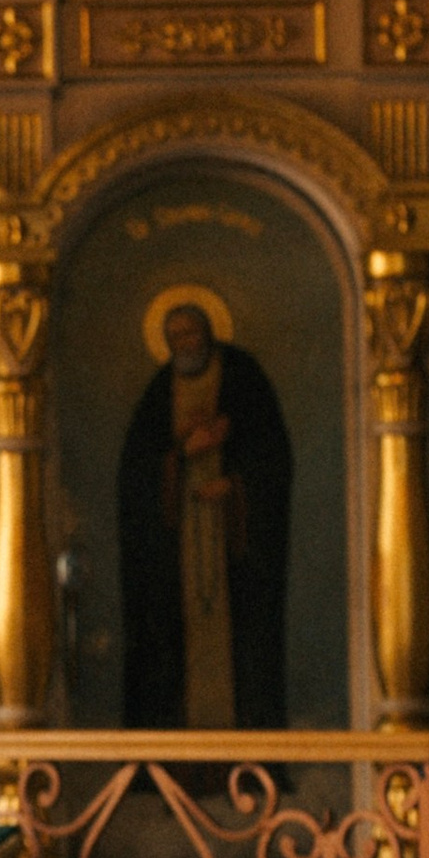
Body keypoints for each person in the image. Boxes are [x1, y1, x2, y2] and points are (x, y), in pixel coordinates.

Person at [118, 298, 292, 727]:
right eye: (175, 336)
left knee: (246, 646)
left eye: (191, 332)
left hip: (234, 548)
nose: (185, 342)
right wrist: (178, 455)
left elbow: (274, 455)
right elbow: (134, 473)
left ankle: (253, 756)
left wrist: (235, 486)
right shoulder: (160, 391)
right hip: (180, 554)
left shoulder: (242, 377)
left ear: (209, 331)